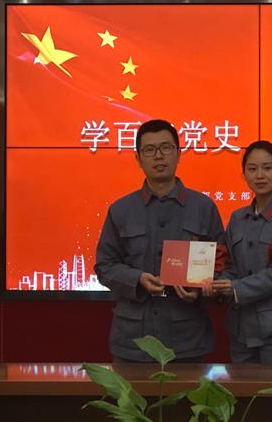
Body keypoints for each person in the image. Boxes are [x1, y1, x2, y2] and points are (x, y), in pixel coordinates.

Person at [95, 119, 226, 362]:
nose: (158, 156)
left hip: (187, 339)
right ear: (138, 158)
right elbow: (104, 266)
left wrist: (200, 289)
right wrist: (137, 279)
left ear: (178, 153)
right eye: (149, 150)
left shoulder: (203, 207)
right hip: (133, 341)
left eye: (166, 148)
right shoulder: (120, 210)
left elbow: (222, 262)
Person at [206, 140, 272, 364]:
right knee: (243, 388)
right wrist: (216, 283)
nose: (260, 175)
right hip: (241, 331)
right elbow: (232, 266)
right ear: (244, 174)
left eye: (267, 167)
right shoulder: (237, 218)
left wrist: (236, 288)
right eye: (252, 169)